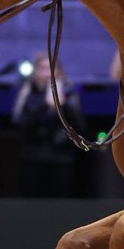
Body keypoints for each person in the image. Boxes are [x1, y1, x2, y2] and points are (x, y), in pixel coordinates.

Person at [13, 53, 84, 198]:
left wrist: (64, 107)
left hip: (61, 157)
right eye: (43, 69)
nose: (47, 74)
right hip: (33, 157)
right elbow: (20, 125)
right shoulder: (27, 93)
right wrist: (44, 105)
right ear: (35, 72)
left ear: (59, 72)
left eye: (51, 69)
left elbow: (81, 128)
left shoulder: (70, 94)